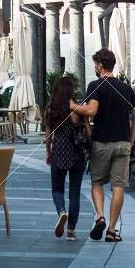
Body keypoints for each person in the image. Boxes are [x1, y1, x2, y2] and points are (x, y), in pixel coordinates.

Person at [73, 47, 135, 243]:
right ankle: (112, 230)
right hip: (122, 143)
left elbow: (92, 110)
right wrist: (131, 139)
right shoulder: (125, 87)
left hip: (101, 143)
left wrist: (72, 106)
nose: (95, 67)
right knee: (118, 187)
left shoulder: (95, 85)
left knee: (97, 183)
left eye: (95, 63)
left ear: (101, 65)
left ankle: (100, 216)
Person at [45, 75, 88, 240]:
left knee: (57, 189)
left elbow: (48, 134)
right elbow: (87, 131)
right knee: (75, 192)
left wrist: (48, 152)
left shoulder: (51, 109)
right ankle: (71, 231)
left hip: (59, 153)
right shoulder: (77, 108)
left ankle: (61, 211)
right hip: (77, 153)